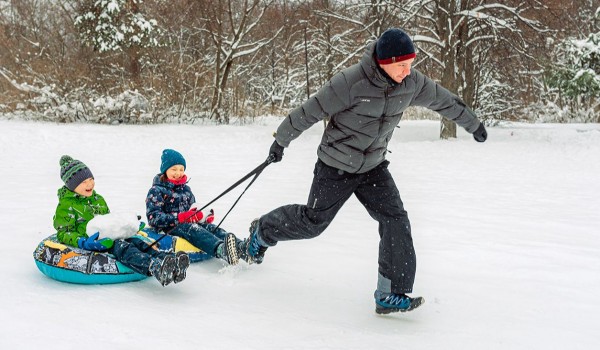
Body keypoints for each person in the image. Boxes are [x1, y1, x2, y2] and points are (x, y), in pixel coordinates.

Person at [244, 28, 488, 314]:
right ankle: (263, 231)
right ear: (384, 61)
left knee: (395, 219)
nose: (407, 71)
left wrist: (474, 124)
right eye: (401, 65)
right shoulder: (350, 82)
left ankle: (389, 293)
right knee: (313, 223)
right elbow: (310, 110)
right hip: (335, 165)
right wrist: (280, 141)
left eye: (411, 64)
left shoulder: (412, 83)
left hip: (373, 167)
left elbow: (445, 101)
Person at [53, 155, 189, 286]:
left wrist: (129, 227)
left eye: (91, 179)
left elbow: (109, 219)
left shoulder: (97, 199)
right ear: (72, 185)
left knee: (136, 241)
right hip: (95, 242)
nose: (90, 184)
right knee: (123, 248)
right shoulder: (66, 206)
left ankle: (167, 261)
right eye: (83, 182)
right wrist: (82, 242)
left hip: (109, 235)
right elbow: (63, 232)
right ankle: (154, 267)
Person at [145, 149, 246, 265]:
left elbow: (193, 208)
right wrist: (181, 218)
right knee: (192, 229)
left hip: (187, 224)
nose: (178, 173)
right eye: (174, 169)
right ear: (165, 170)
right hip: (168, 228)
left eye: (181, 169)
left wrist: (202, 217)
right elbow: (154, 218)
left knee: (211, 228)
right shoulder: (156, 190)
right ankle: (221, 250)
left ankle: (241, 248)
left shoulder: (186, 190)